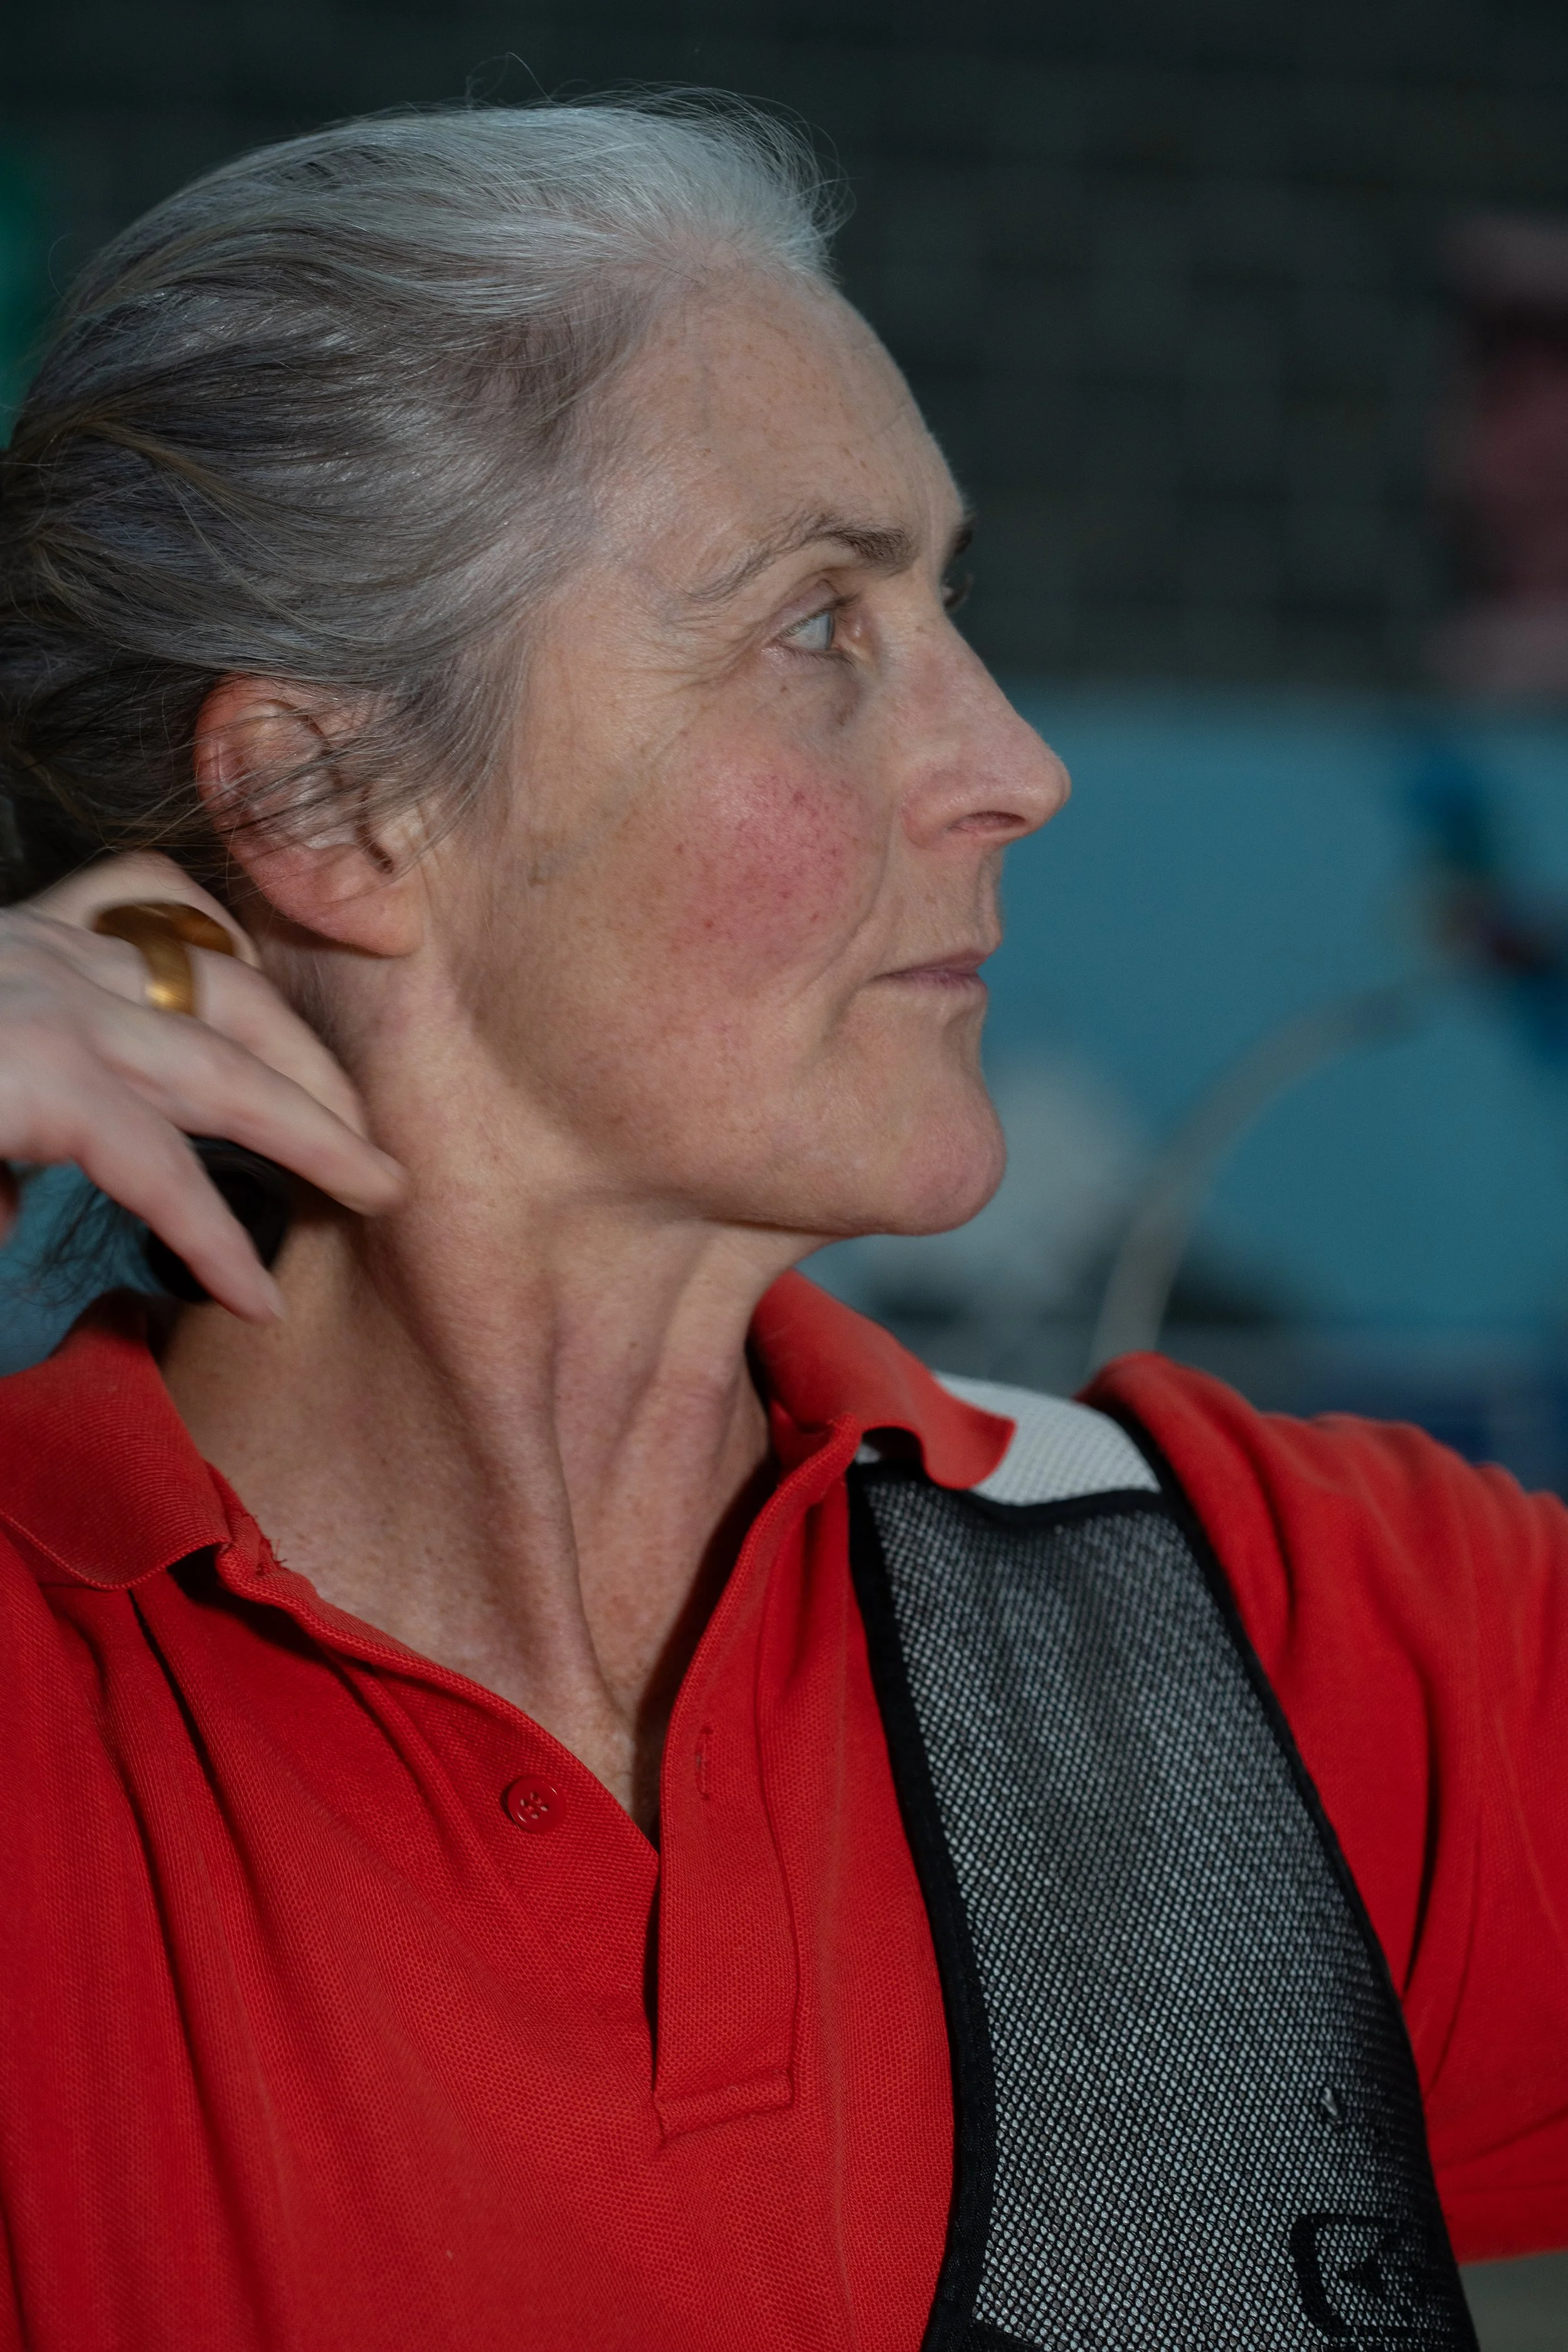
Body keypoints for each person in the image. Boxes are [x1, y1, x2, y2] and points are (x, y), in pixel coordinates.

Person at [0, 98, 1561, 2352]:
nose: (1010, 758)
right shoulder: (59, 1740)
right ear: (331, 800)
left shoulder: (1283, 1641)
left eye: (945, 605)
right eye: (820, 623)